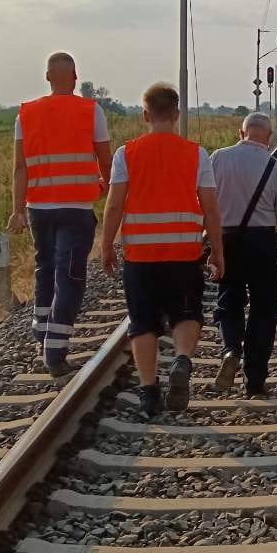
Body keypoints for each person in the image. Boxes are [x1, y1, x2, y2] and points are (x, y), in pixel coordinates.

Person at [100, 82, 223, 419]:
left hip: (141, 257)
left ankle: (149, 392)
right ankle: (182, 358)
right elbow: (211, 209)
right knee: (186, 313)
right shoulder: (196, 154)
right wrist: (218, 252)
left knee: (143, 323)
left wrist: (107, 244)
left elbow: (114, 206)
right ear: (176, 114)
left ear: (145, 115)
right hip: (183, 254)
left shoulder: (126, 154)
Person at [8, 52, 112, 377]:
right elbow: (105, 159)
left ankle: (42, 331)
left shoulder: (26, 114)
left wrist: (16, 210)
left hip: (38, 207)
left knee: (45, 268)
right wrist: (108, 186)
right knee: (69, 276)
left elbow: (20, 167)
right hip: (76, 207)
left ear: (47, 77)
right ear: (76, 77)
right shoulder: (90, 111)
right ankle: (54, 350)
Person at [210, 113, 277, 397]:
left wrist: (211, 246)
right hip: (263, 243)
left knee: (229, 301)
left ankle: (231, 349)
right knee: (264, 310)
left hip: (227, 239)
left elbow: (205, 206)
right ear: (270, 137)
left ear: (241, 132)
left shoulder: (217, 159)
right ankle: (255, 381)